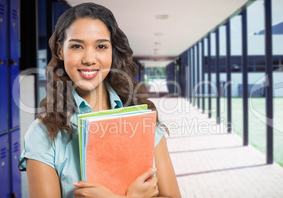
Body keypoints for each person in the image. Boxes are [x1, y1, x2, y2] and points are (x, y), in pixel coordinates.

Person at [19, 2, 181, 198]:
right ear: (61, 51)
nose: (89, 58)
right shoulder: (43, 134)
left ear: (112, 51)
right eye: (77, 46)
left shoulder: (142, 115)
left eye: (101, 46)